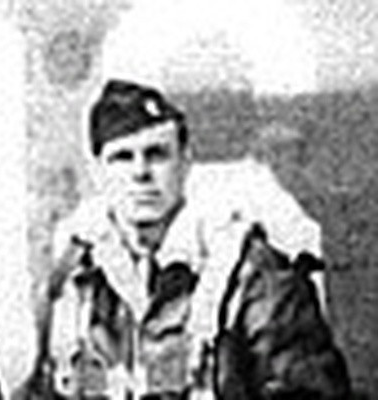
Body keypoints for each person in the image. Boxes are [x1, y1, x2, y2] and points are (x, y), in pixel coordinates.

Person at [18, 79, 324, 400]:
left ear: (185, 163)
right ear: (98, 172)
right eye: (122, 158)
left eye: (157, 155)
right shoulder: (75, 274)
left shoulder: (249, 272)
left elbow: (307, 392)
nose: (141, 173)